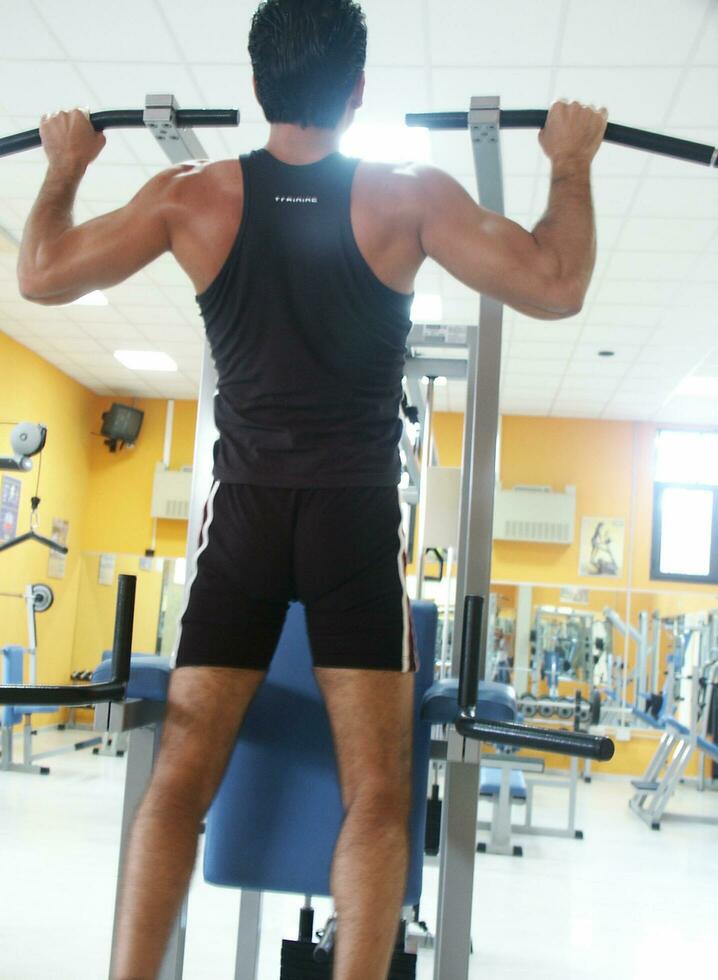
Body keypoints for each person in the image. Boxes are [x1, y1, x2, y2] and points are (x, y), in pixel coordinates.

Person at [16, 2, 607, 976]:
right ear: (359, 91)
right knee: (376, 791)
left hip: (243, 516)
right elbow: (555, 283)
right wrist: (571, 160)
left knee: (178, 782)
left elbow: (39, 274)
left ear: (256, 88)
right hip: (352, 521)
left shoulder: (188, 196)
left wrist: (67, 165)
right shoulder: (407, 195)